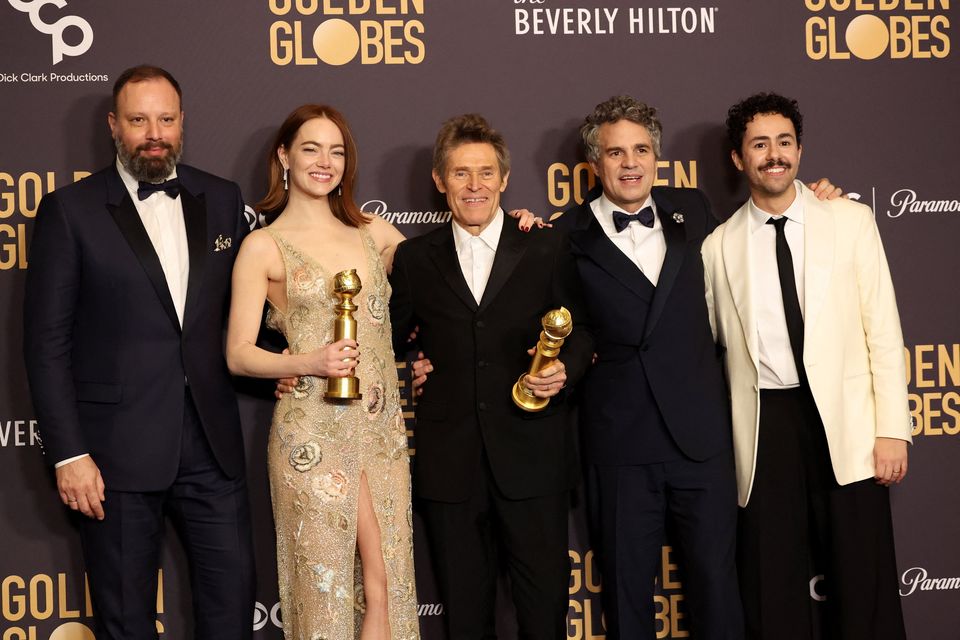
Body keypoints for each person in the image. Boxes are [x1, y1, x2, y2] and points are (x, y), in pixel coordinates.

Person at [548, 95, 842, 639]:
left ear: (657, 157)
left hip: (702, 442)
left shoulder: (695, 209)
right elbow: (570, 327)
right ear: (595, 164)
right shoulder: (564, 236)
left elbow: (767, 232)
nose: (631, 162)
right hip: (621, 446)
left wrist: (817, 200)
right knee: (628, 596)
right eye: (616, 153)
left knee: (718, 593)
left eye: (641, 149)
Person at [22, 65, 255, 639]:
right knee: (126, 621)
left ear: (182, 124)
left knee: (230, 614)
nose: (154, 132)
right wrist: (68, 453)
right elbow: (46, 342)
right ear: (114, 126)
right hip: (113, 455)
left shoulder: (222, 198)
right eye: (138, 119)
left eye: (166, 119)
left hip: (212, 446)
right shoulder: (70, 210)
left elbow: (247, 309)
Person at [701, 92, 911, 640]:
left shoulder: (850, 220)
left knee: (864, 579)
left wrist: (892, 430)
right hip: (766, 427)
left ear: (800, 149)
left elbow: (883, 333)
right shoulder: (717, 247)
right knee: (771, 586)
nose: (774, 155)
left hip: (846, 422)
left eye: (785, 142)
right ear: (738, 158)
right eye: (759, 144)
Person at [388, 114, 594, 639]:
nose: (474, 186)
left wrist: (563, 373)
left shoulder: (546, 246)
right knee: (464, 617)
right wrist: (409, 364)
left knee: (544, 612)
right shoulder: (413, 258)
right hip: (449, 467)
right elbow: (387, 338)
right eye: (460, 174)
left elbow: (584, 332)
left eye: (485, 173)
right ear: (439, 181)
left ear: (504, 179)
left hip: (533, 459)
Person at [225, 104, 421, 640]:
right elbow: (239, 353)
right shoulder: (262, 246)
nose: (324, 162)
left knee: (388, 584)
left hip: (381, 433)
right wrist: (303, 362)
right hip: (309, 434)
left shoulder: (375, 235)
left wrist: (513, 227)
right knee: (325, 587)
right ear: (284, 156)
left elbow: (446, 283)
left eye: (337, 151)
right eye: (311, 148)